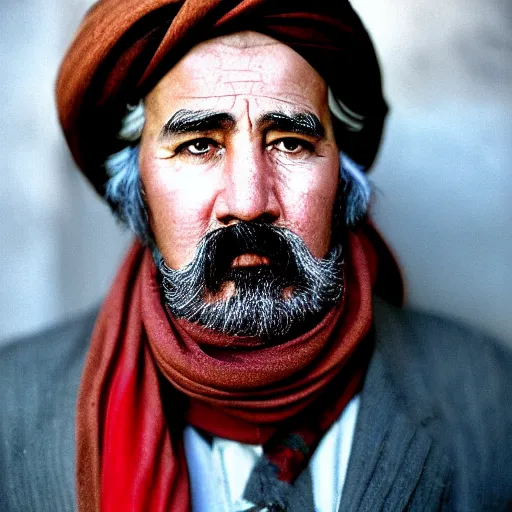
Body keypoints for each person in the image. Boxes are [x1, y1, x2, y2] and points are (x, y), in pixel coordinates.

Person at [0, 1, 511, 511]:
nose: (248, 203)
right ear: (138, 187)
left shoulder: (487, 392)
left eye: (289, 143)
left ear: (342, 178)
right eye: (199, 145)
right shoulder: (12, 403)